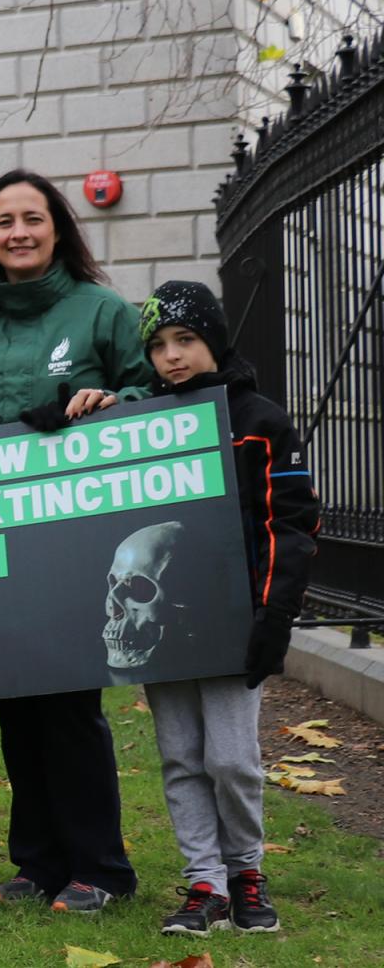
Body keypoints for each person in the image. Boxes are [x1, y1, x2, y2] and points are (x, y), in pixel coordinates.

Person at [0, 169, 151, 913]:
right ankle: (36, 862)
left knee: (67, 705)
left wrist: (114, 402)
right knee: (17, 702)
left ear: (58, 227)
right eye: (4, 222)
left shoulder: (102, 311)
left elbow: (155, 394)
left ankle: (101, 868)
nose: (18, 232)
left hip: (74, 538)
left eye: (32, 218)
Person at [133, 281, 315, 938]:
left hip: (237, 625)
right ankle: (204, 883)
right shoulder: (140, 423)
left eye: (185, 339)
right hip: (164, 627)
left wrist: (274, 617)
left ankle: (246, 871)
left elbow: (289, 525)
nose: (172, 356)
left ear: (213, 336)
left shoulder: (261, 420)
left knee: (232, 758)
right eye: (158, 346)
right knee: (181, 753)